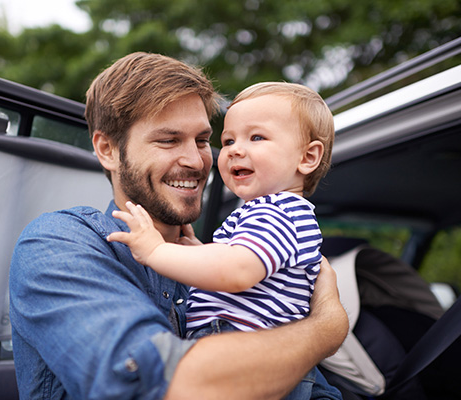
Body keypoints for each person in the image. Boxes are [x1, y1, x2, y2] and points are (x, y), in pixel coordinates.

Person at [9, 52, 348, 400]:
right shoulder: (58, 243)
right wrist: (325, 329)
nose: (196, 160)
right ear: (108, 149)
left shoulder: (219, 254)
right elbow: (165, 385)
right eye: (169, 140)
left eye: (202, 140)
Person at [107, 82, 340, 399]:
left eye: (256, 137)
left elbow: (237, 272)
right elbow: (245, 268)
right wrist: (203, 253)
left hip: (248, 351)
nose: (234, 149)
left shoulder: (280, 212)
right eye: (228, 140)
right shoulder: (265, 212)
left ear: (308, 157)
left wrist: (155, 250)